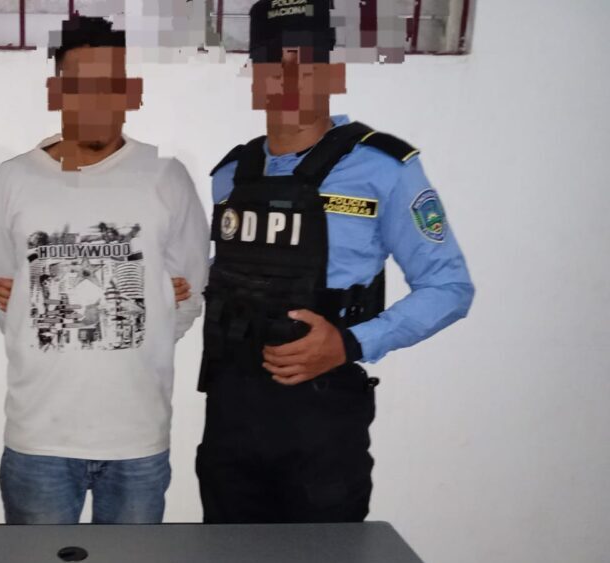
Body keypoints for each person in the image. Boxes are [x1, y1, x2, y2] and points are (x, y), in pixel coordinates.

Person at [195, 0, 475, 524]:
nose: (290, 76)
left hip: (322, 426)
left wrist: (351, 343)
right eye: (273, 61)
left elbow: (450, 288)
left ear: (333, 72)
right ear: (255, 76)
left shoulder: (383, 168)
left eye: (307, 60)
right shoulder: (231, 175)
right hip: (231, 419)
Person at [0, 16, 210, 525]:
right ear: (57, 91)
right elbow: (0, 295)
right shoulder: (12, 180)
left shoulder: (166, 177)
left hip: (138, 437)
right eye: (81, 84)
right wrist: (42, 319)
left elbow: (190, 293)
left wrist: (148, 318)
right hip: (39, 437)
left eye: (111, 84)